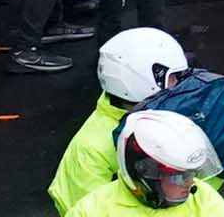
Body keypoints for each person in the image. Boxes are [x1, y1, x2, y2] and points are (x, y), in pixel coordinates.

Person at [53, 29, 189, 217]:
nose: (178, 85)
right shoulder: (91, 151)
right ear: (141, 82)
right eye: (172, 78)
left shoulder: (156, 117)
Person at [70, 109, 224, 217]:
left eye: (191, 173)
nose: (190, 183)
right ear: (145, 177)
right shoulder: (92, 210)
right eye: (177, 177)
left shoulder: (204, 199)